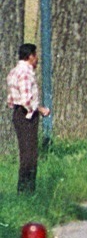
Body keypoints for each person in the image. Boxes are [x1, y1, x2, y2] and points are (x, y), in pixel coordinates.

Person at [7, 42, 51, 193]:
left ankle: (24, 190)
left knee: (26, 153)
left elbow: (11, 99)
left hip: (18, 114)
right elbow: (27, 101)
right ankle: (26, 191)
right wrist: (41, 109)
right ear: (30, 56)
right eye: (35, 55)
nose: (37, 59)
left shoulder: (14, 72)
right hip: (26, 116)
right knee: (30, 156)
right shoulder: (25, 74)